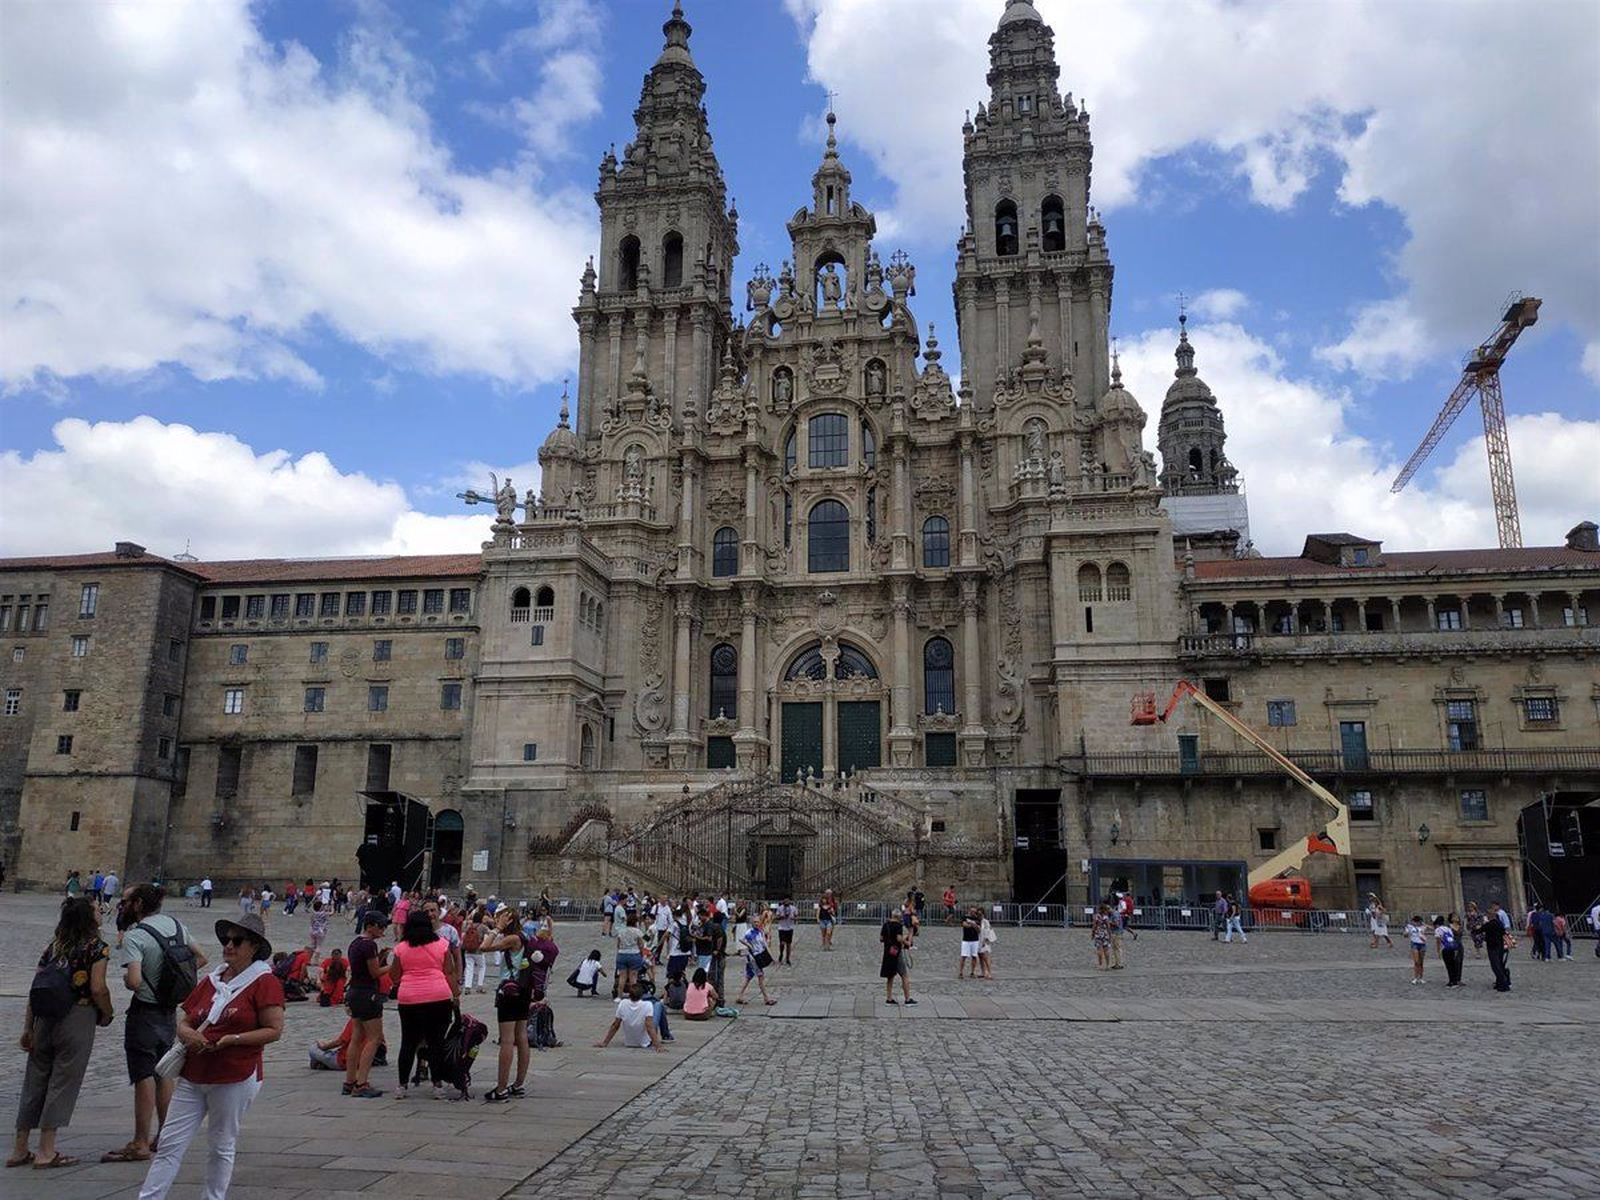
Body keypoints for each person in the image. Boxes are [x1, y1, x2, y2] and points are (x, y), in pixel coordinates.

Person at [135, 913, 283, 1200]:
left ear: (253, 947)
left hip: (235, 1073)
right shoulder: (212, 980)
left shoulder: (264, 982)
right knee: (169, 1144)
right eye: (226, 939)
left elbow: (274, 1030)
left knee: (220, 1145)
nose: (228, 945)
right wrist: (186, 1033)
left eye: (237, 941)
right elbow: (186, 1020)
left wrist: (232, 1040)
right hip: (194, 1072)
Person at [103, 884, 207, 1164]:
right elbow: (201, 957)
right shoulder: (176, 925)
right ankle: (165, 1135)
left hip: (144, 1011)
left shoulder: (136, 936)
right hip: (169, 1011)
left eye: (125, 901)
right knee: (164, 1073)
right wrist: (171, 981)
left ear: (137, 905)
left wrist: (133, 981)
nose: (121, 906)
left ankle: (140, 1141)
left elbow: (135, 981)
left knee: (143, 1074)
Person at [10, 896, 113, 1169]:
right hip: (76, 1017)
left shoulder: (53, 947)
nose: (100, 912)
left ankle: (20, 1148)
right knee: (63, 1080)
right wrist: (107, 1013)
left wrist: (28, 1027)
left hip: (44, 1018)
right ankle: (46, 1151)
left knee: (35, 1079)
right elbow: (98, 988)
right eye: (96, 909)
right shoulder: (97, 948)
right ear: (88, 918)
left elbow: (36, 986)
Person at [389, 910, 459, 1100]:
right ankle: (437, 1085)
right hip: (438, 995)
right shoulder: (442, 945)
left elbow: (394, 976)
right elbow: (449, 972)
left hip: (410, 997)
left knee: (408, 1043)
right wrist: (456, 995)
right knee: (436, 1042)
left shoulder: (401, 948)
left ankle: (402, 1086)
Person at [481, 907, 533, 1103]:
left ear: (509, 920)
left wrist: (496, 930)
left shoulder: (512, 938)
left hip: (509, 992)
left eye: (501, 918)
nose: (497, 920)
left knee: (507, 1040)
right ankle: (518, 1084)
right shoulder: (525, 935)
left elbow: (484, 947)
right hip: (523, 990)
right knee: (521, 1037)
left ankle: (501, 1088)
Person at [341, 912, 390, 1099]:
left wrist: (381, 957)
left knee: (356, 1037)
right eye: (381, 926)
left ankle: (349, 1080)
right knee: (374, 1039)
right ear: (370, 926)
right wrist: (392, 967)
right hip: (368, 994)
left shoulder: (355, 943)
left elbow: (362, 968)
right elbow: (375, 972)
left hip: (354, 992)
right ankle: (362, 1083)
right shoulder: (369, 945)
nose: (383, 930)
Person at [595, 983, 666, 1051]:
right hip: (646, 1042)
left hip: (629, 1042)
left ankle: (666, 1035)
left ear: (629, 995)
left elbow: (615, 1025)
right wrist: (658, 1045)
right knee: (658, 1005)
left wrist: (605, 1042)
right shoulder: (647, 1004)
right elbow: (649, 1026)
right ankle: (666, 1035)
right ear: (642, 995)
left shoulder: (623, 1003)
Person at [735, 912, 777, 1006]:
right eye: (755, 922)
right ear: (752, 923)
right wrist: (749, 945)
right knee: (760, 976)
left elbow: (765, 944)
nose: (756, 923)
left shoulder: (760, 932)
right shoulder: (749, 932)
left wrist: (771, 956)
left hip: (760, 955)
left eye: (758, 922)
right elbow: (741, 939)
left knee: (748, 977)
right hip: (753, 958)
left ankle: (740, 996)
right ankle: (766, 998)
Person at [879, 907, 914, 1005]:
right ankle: (907, 999)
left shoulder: (885, 925)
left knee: (890, 976)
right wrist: (907, 942)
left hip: (887, 952)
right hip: (896, 952)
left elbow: (881, 938)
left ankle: (889, 998)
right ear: (899, 917)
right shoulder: (898, 926)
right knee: (904, 975)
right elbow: (899, 938)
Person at [613, 910, 648, 996]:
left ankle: (619, 996)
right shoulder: (637, 931)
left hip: (622, 954)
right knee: (633, 977)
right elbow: (641, 944)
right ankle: (633, 995)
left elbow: (618, 944)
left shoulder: (621, 931)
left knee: (622, 977)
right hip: (634, 955)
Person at [1480, 902, 1512, 993]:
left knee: (1496, 966)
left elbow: (1478, 931)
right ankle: (1501, 983)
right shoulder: (1499, 924)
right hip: (1500, 947)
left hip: (1492, 947)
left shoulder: (1489, 924)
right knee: (1500, 965)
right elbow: (1504, 932)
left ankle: (1503, 984)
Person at [1436, 913, 1464, 987]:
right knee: (1453, 963)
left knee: (1459, 962)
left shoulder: (1460, 926)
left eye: (1457, 916)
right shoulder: (1448, 927)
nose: (1456, 918)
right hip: (1451, 945)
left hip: (1459, 945)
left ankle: (1458, 979)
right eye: (1454, 916)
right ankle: (1453, 979)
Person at [958, 906, 982, 979]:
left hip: (975, 940)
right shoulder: (964, 917)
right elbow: (965, 925)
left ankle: (972, 972)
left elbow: (979, 930)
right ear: (969, 911)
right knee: (963, 956)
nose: (973, 913)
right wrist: (973, 924)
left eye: (974, 912)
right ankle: (960, 972)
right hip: (966, 940)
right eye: (972, 911)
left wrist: (972, 924)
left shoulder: (978, 919)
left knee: (974, 956)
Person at [1404, 914, 1428, 984]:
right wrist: (1406, 933)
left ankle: (1421, 977)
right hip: (1414, 944)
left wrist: (1424, 924)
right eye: (1416, 921)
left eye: (1419, 922)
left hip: (1422, 944)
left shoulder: (1423, 927)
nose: (1417, 923)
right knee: (1416, 961)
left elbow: (1432, 928)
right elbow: (1405, 935)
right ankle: (1415, 977)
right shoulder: (1410, 927)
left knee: (1421, 962)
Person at [775, 896, 798, 966]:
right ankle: (781, 953)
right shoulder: (780, 908)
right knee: (782, 943)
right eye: (785, 900)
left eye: (788, 900)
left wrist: (793, 918)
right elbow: (776, 917)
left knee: (788, 944)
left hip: (790, 927)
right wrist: (781, 917)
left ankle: (788, 958)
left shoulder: (793, 908)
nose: (786, 902)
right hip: (782, 927)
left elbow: (796, 917)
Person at [1091, 903, 1114, 970]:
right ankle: (1107, 965)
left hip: (1098, 934)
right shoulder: (1106, 917)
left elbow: (1094, 926)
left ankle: (1100, 965)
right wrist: (1110, 935)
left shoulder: (1096, 916)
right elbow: (1108, 927)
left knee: (1099, 950)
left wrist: (1092, 934)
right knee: (1106, 950)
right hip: (1105, 934)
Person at [978, 911, 997, 980]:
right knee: (980, 957)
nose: (979, 916)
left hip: (985, 941)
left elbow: (988, 931)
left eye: (981, 914)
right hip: (978, 940)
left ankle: (989, 972)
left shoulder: (985, 922)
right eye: (978, 914)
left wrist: (985, 940)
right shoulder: (978, 921)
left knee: (985, 957)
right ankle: (983, 972)